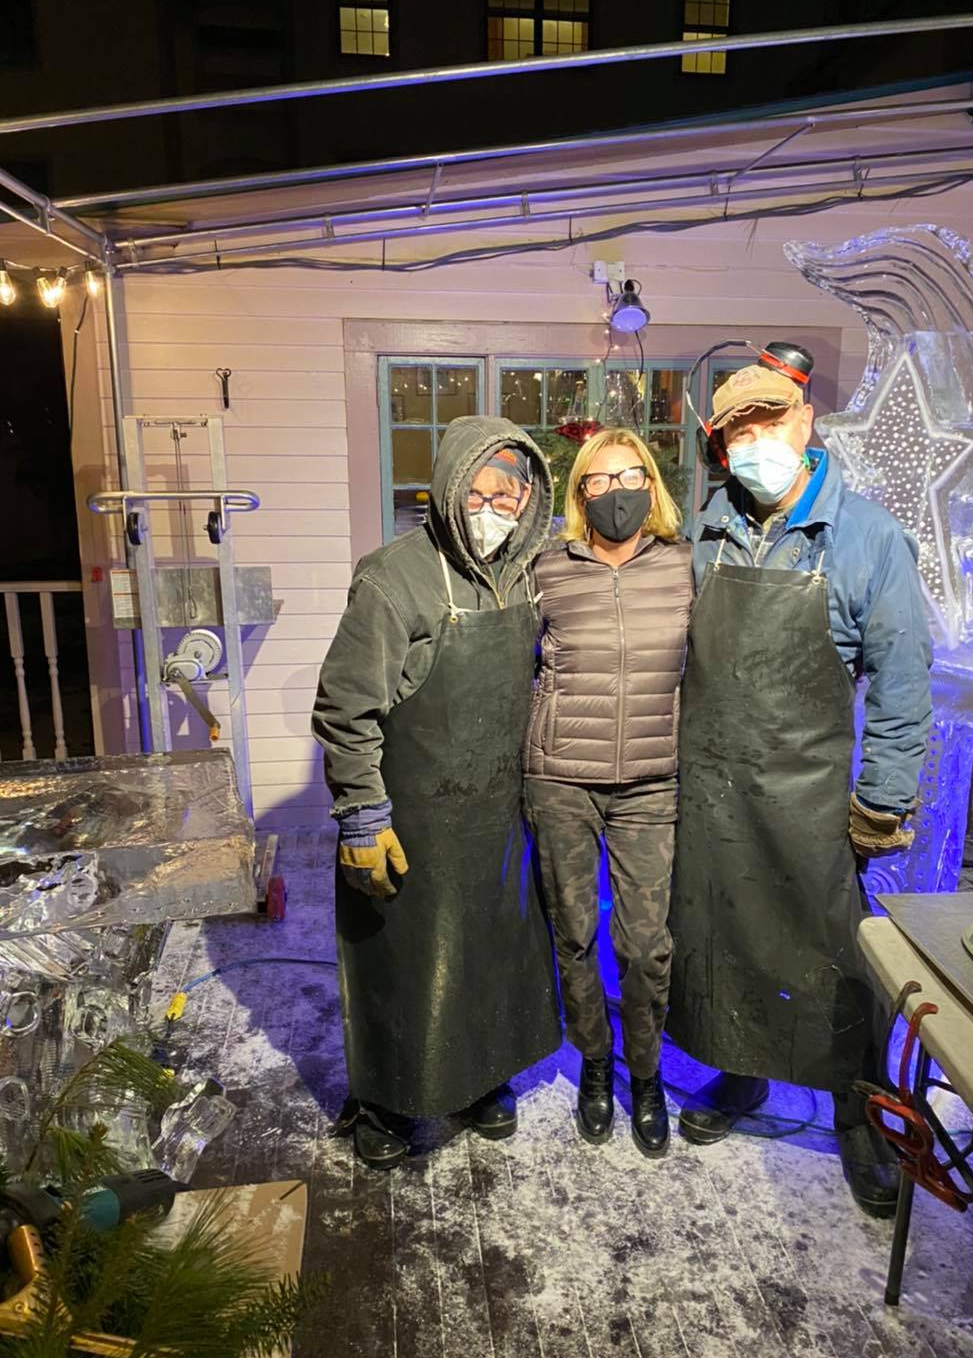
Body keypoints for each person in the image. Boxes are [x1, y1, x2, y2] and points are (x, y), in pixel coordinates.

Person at [667, 350, 933, 1216]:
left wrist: (882, 799)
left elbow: (903, 680)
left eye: (770, 420)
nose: (756, 442)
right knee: (725, 938)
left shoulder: (868, 538)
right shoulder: (708, 529)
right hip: (713, 791)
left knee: (837, 956)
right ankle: (741, 1070)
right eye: (738, 429)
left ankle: (859, 1111)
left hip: (811, 795)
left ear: (806, 420)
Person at [312, 416, 561, 1170]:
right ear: (447, 490)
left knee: (489, 952)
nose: (490, 509)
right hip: (412, 817)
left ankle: (481, 1075)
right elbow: (345, 710)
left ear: (527, 498)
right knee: (405, 964)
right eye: (475, 493)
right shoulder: (393, 580)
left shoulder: (530, 573)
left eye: (505, 495)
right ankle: (384, 1100)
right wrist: (363, 816)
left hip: (497, 815)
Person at [524, 428, 693, 1158]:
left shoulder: (685, 568)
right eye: (599, 480)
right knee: (573, 932)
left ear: (651, 487)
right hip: (561, 777)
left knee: (647, 944)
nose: (615, 492)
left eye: (629, 477)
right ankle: (595, 1061)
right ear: (580, 494)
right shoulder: (547, 569)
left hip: (652, 780)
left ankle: (645, 1073)